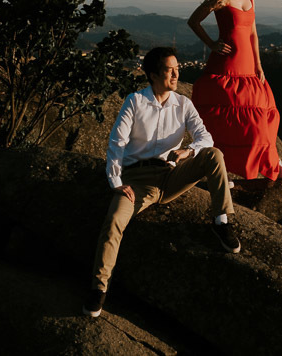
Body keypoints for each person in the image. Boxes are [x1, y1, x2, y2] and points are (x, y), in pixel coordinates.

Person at [82, 46, 240, 319]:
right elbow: (117, 142)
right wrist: (116, 181)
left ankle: (221, 221)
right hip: (137, 180)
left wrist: (188, 151)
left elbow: (205, 138)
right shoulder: (135, 102)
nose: (176, 74)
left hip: (171, 175)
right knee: (114, 220)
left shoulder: (183, 104)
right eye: (170, 70)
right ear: (154, 75)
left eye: (177, 68)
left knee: (213, 154)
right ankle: (99, 288)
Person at [188, 0, 282, 182]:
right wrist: (211, 44)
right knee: (225, 121)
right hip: (226, 66)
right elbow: (193, 21)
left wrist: (259, 65)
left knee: (265, 117)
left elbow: (253, 33)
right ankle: (220, 169)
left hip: (249, 67)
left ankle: (272, 162)